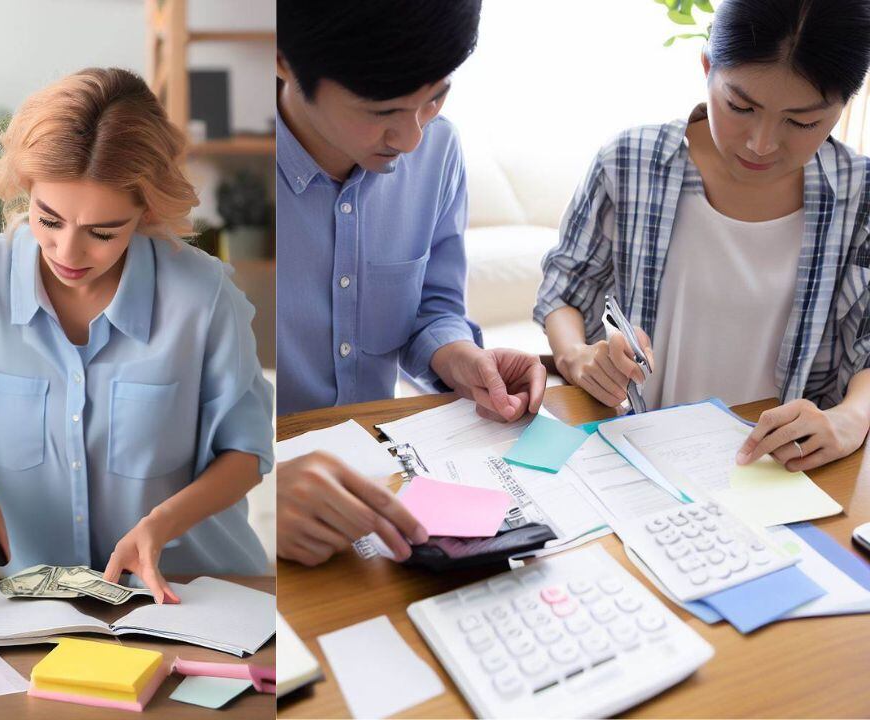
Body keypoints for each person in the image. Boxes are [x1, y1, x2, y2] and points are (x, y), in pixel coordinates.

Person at [0, 68, 274, 602]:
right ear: (24, 190)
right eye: (49, 220)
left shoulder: (203, 295)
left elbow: (246, 453)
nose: (68, 252)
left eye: (102, 233)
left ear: (146, 212)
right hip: (31, 602)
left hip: (192, 593)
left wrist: (161, 523)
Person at [538, 0, 870, 473]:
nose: (761, 143)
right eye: (740, 106)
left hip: (777, 473)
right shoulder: (630, 161)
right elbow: (565, 287)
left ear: (842, 105)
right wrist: (575, 356)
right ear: (707, 66)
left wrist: (850, 418)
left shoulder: (859, 194)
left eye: (801, 122)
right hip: (631, 455)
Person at [274, 0, 546, 566]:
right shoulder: (202, 174)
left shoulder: (439, 148)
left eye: (436, 96)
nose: (413, 137)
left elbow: (432, 304)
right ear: (281, 62)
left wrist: (458, 355)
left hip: (380, 494)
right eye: (383, 110)